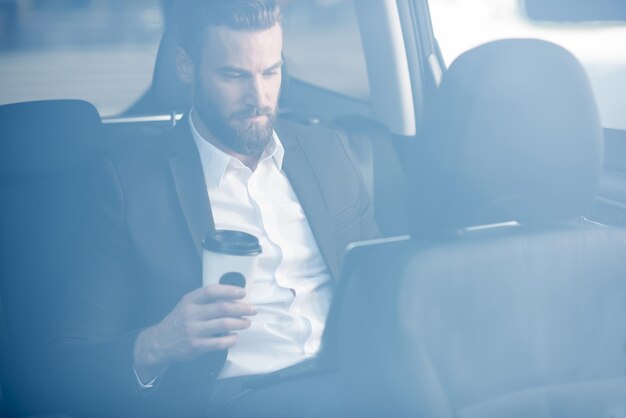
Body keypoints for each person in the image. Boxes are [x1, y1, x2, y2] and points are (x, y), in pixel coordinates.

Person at [52, 1, 378, 417]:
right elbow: (69, 365)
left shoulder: (328, 149)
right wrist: (160, 341)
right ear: (186, 68)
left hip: (361, 376)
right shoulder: (130, 186)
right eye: (234, 75)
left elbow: (382, 281)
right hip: (241, 398)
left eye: (271, 72)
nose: (259, 98)